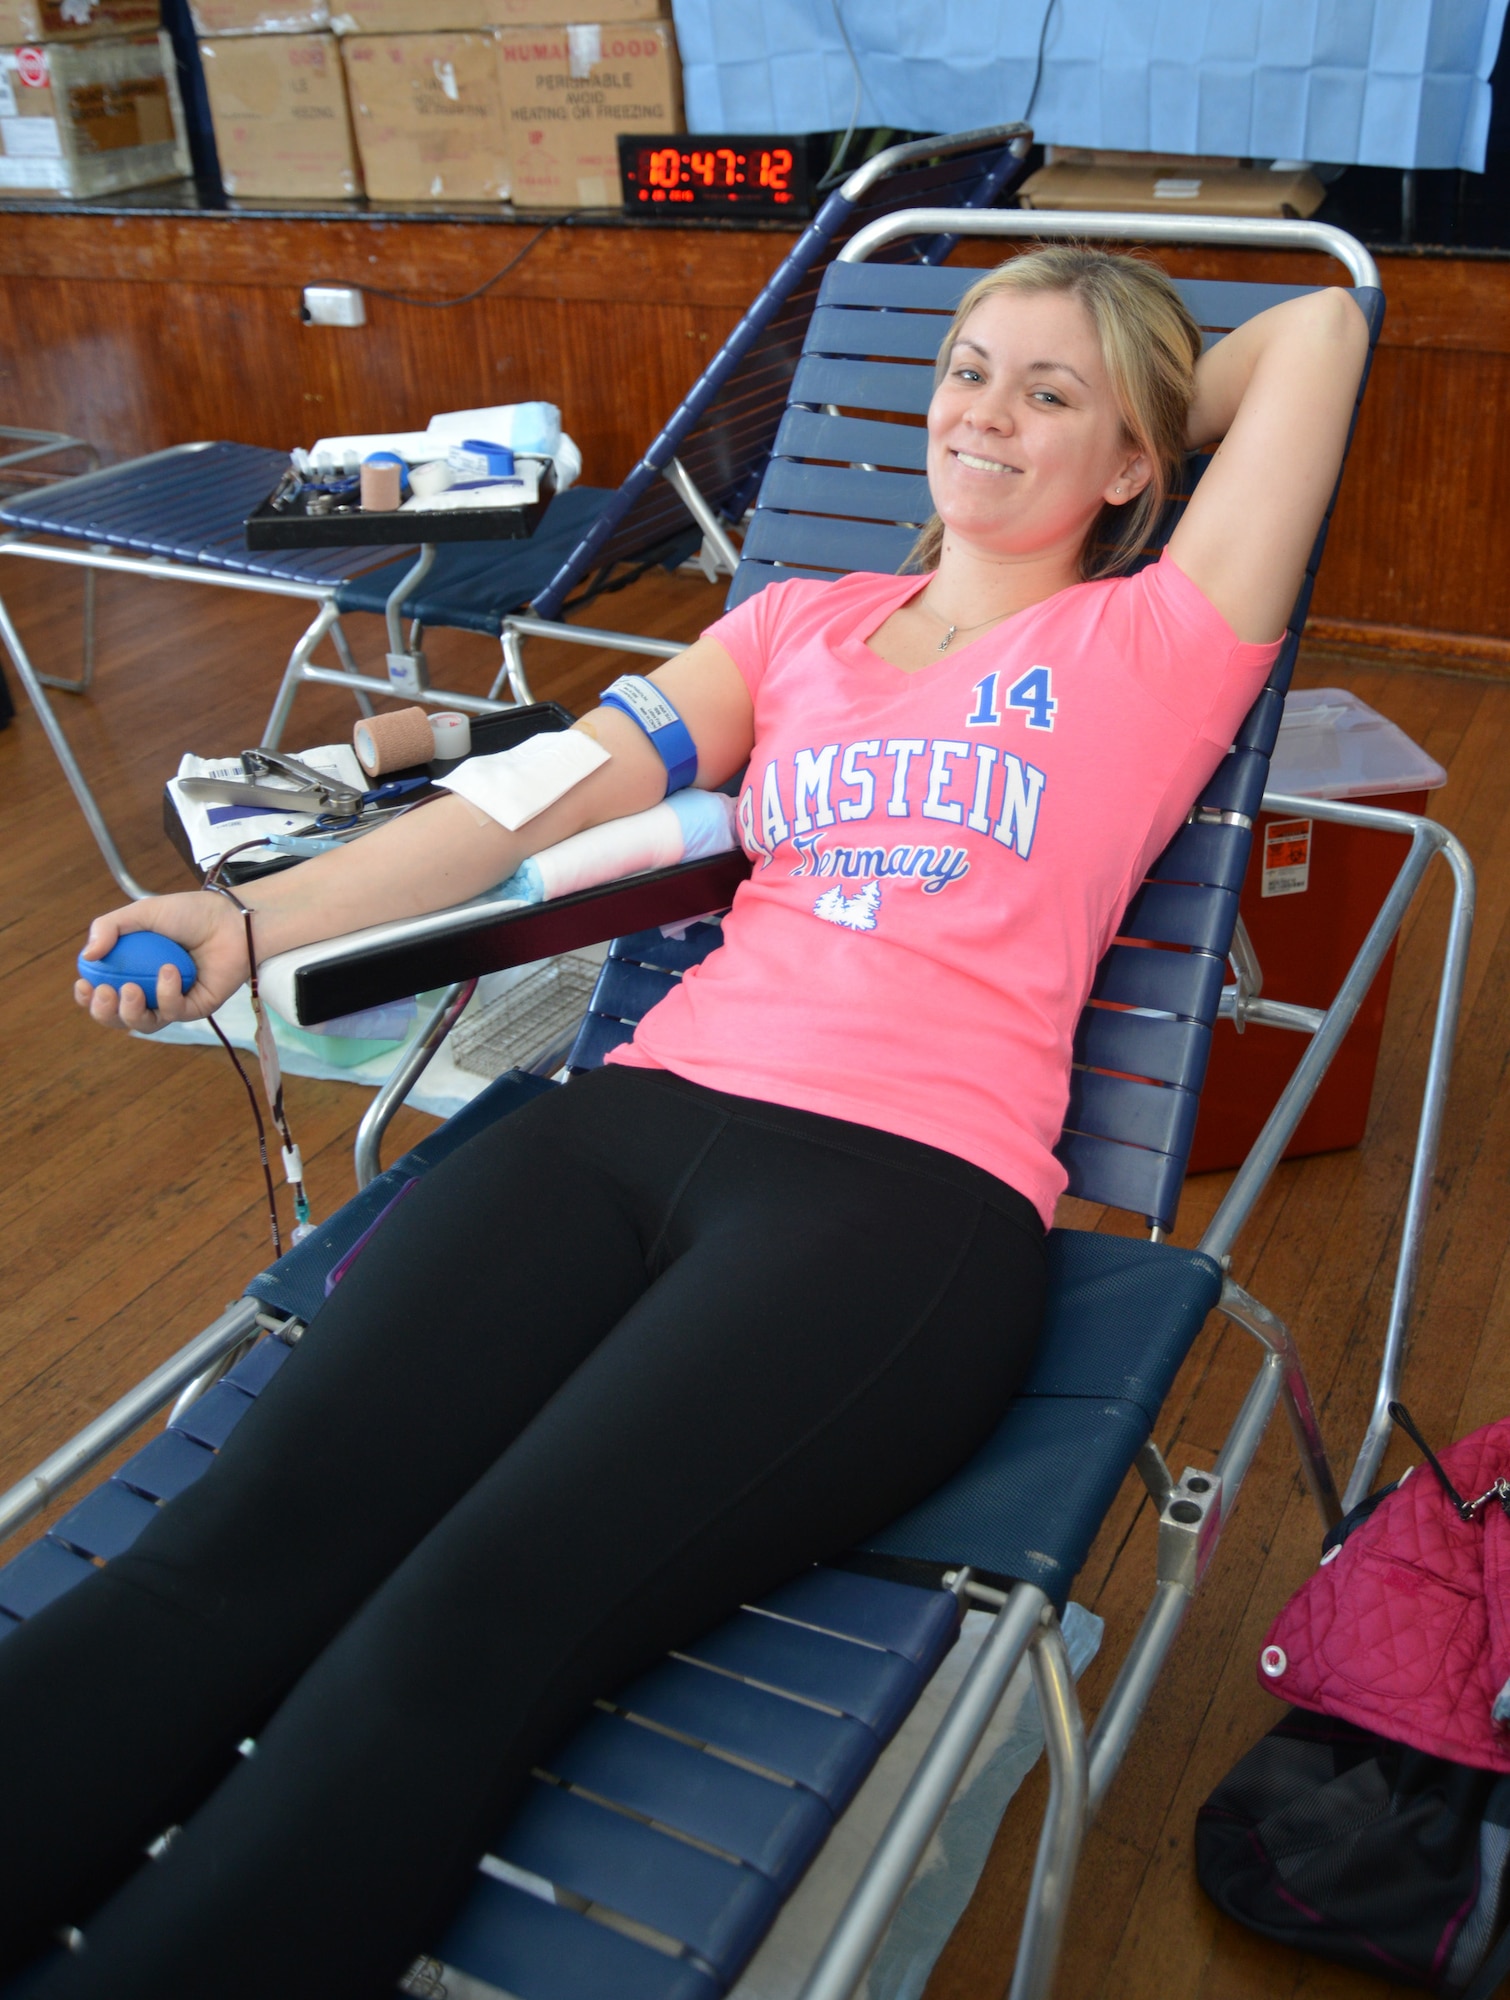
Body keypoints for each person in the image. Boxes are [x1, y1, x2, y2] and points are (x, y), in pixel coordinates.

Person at [5, 249, 1368, 1999]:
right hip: (623, 1129)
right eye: (966, 372)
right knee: (230, 1556)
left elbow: (1320, 326)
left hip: (899, 1202)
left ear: (1136, 462)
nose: (984, 412)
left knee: (454, 1634)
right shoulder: (789, 628)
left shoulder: (1158, 637)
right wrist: (257, 926)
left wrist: (1120, 394)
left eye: (1047, 392)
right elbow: (528, 801)